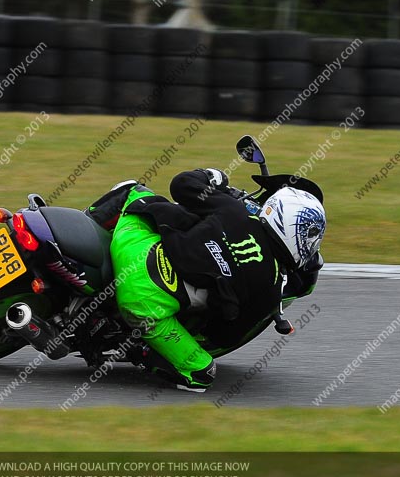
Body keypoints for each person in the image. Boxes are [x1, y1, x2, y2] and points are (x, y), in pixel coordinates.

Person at [106, 168, 326, 392]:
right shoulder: (270, 293)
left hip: (132, 248)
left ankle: (87, 225)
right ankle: (142, 352)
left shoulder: (234, 210)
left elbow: (181, 184)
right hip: (146, 310)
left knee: (134, 191)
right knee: (202, 373)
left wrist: (215, 176)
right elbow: (221, 336)